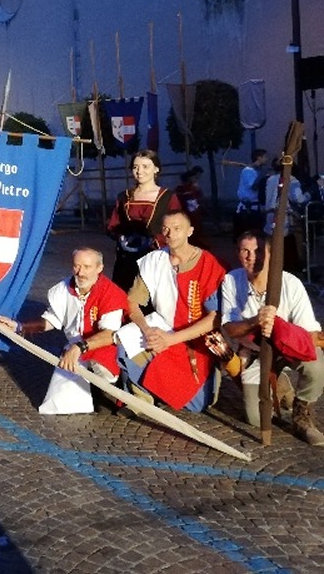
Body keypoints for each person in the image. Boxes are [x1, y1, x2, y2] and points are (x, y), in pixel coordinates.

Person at [114, 210, 225, 412]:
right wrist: (147, 331)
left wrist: (170, 339)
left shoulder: (208, 264)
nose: (170, 234)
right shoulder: (154, 260)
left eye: (177, 229)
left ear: (189, 231)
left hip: (196, 339)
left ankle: (163, 389)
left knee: (197, 404)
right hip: (161, 328)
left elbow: (214, 318)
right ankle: (141, 397)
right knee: (125, 339)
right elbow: (132, 302)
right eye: (166, 229)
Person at [0, 248, 129, 413]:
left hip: (101, 346)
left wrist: (80, 348)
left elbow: (109, 334)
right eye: (77, 266)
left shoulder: (111, 293)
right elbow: (51, 321)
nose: (80, 272)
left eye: (87, 267)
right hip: (74, 346)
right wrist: (20, 327)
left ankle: (111, 383)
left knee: (104, 370)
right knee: (58, 405)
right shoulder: (63, 288)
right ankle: (89, 389)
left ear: (99, 268)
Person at [220, 231, 324, 445]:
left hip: (288, 348)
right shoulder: (231, 280)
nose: (252, 257)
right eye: (245, 251)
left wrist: (280, 328)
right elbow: (229, 328)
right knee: (256, 418)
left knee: (317, 365)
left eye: (258, 251)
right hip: (255, 353)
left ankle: (302, 415)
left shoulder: (291, 283)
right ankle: (282, 385)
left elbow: (311, 334)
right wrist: (255, 322)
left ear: (270, 254)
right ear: (238, 254)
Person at [107, 149, 181, 291]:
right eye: (135, 167)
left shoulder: (168, 197)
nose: (140, 171)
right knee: (123, 296)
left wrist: (156, 241)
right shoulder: (124, 196)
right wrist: (122, 237)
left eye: (145, 166)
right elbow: (113, 225)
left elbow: (178, 228)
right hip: (126, 259)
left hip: (156, 258)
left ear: (156, 169)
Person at [235, 149, 268, 239]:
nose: (266, 159)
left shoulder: (257, 171)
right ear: (258, 158)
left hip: (257, 207)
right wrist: (262, 175)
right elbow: (253, 186)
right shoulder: (248, 171)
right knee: (248, 235)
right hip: (248, 208)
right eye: (265, 157)